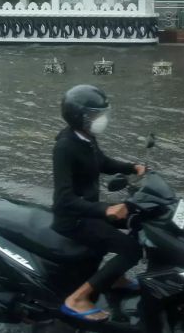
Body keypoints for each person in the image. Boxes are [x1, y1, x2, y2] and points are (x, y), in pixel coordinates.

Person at [52, 84, 146, 322]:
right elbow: (64, 199)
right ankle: (77, 299)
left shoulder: (86, 138)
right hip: (73, 219)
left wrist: (132, 167)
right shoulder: (65, 146)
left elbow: (101, 162)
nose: (100, 119)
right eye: (95, 115)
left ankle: (114, 277)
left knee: (138, 220)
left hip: (88, 210)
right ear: (79, 117)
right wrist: (105, 208)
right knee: (131, 250)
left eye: (101, 114)